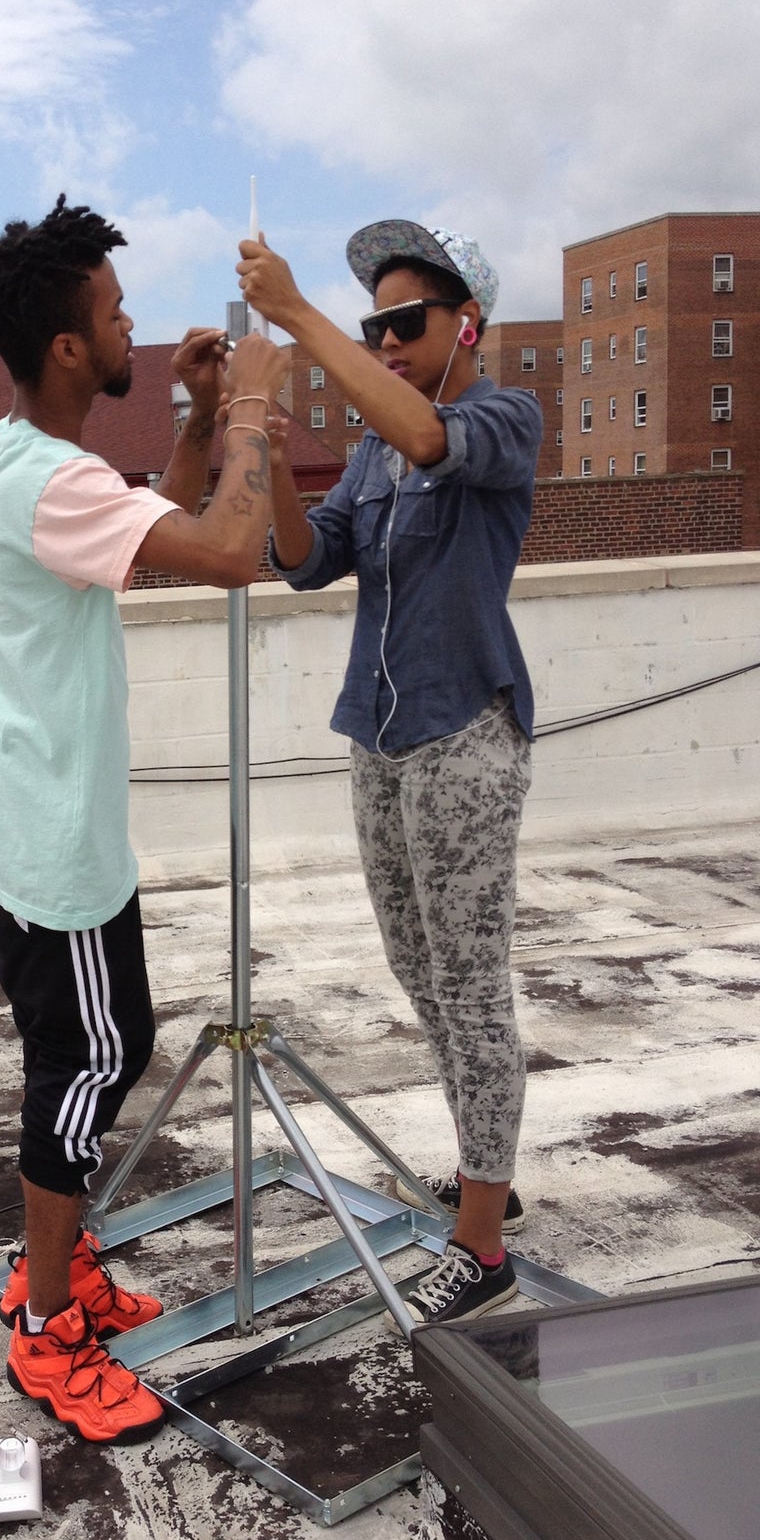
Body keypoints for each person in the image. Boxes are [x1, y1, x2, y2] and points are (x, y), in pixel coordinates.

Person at [0, 196, 289, 1442]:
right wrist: (250, 404)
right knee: (87, 1063)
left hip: (36, 815)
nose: (133, 318)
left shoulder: (28, 462)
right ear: (72, 350)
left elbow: (159, 522)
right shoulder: (47, 478)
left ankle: (61, 1267)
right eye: (112, 311)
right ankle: (43, 1322)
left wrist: (195, 419)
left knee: (94, 1045)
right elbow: (233, 550)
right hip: (51, 833)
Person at [237, 221, 541, 1329]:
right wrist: (268, 458)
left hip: (464, 730)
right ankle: (485, 1171)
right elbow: (309, 562)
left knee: (469, 987)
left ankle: (481, 1241)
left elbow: (424, 438)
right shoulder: (370, 449)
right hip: (377, 732)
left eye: (401, 322)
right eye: (373, 325)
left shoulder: (500, 417)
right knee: (418, 973)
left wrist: (299, 320)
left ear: (464, 324)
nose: (385, 340)